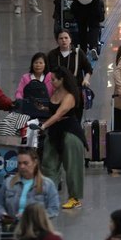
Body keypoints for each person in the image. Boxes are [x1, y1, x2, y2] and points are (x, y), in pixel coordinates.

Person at [39, 66, 86, 210]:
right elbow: (53, 109)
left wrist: (44, 126)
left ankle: (75, 197)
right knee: (48, 163)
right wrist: (43, 108)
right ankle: (48, 195)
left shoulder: (70, 96)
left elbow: (59, 114)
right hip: (55, 133)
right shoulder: (55, 92)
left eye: (53, 79)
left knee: (72, 166)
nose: (51, 82)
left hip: (70, 133)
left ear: (62, 80)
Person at [0, 147, 60, 219]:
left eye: (26, 163)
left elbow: (53, 210)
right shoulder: (8, 182)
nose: (22, 166)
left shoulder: (48, 185)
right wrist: (3, 214)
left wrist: (33, 217)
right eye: (19, 163)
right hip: (12, 227)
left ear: (35, 162)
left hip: (35, 228)